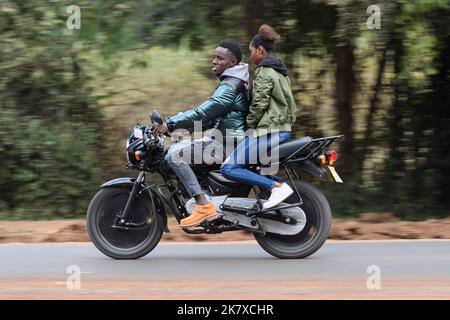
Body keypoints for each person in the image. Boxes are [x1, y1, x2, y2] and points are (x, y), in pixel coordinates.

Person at [153, 40, 249, 227]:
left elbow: (204, 112)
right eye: (213, 57)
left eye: (220, 58)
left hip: (227, 143)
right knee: (179, 147)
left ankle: (203, 206)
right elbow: (213, 119)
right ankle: (205, 197)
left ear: (232, 63)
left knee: (175, 155)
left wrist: (169, 124)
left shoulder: (230, 85)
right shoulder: (232, 82)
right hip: (225, 139)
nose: (214, 61)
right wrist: (182, 128)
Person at [221, 25, 297, 209]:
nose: (251, 56)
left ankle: (275, 186)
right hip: (281, 128)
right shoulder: (279, 70)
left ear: (260, 50)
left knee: (228, 168)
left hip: (268, 130)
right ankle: (281, 186)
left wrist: (248, 126)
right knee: (250, 167)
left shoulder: (264, 71)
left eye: (251, 52)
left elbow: (259, 104)